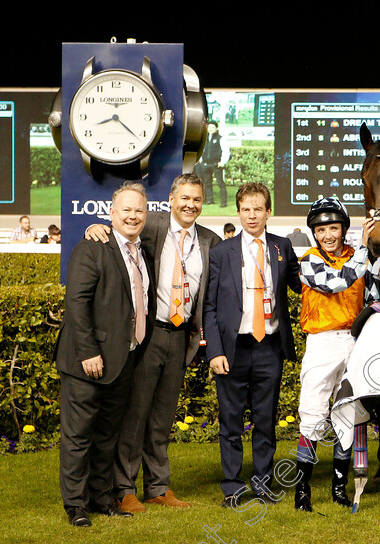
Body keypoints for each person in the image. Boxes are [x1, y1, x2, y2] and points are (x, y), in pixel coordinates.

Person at [86, 174, 222, 513]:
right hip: (148, 335)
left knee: (162, 418)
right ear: (171, 199)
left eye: (197, 199)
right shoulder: (152, 225)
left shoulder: (210, 240)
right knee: (136, 415)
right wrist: (93, 228)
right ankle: (124, 488)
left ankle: (159, 487)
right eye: (184, 198)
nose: (190, 205)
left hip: (182, 338)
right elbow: (120, 231)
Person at [55, 182, 154, 527]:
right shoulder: (92, 246)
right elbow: (77, 302)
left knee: (107, 436)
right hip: (88, 362)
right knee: (79, 438)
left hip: (122, 359)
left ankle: (100, 498)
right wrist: (88, 352)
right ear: (111, 213)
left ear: (146, 214)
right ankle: (76, 506)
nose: (132, 215)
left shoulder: (142, 250)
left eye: (139, 210)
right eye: (125, 209)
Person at [204, 182, 302, 506]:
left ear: (268, 212)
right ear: (238, 212)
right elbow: (210, 306)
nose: (251, 215)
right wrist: (214, 350)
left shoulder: (282, 247)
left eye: (258, 208)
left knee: (265, 419)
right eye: (245, 209)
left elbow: (302, 286)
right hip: (233, 348)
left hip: (269, 346)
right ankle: (232, 487)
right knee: (230, 421)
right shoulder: (221, 251)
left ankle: (262, 484)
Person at [293, 197, 377, 512]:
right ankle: (302, 491)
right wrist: (366, 251)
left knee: (348, 413)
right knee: (312, 413)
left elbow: (374, 287)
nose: (328, 235)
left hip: (354, 341)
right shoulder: (309, 260)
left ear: (343, 229)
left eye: (334, 228)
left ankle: (339, 489)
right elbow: (336, 284)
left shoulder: (358, 257)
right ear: (314, 232)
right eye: (322, 229)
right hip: (322, 341)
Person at [197, 121, 230, 207]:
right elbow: (200, 149)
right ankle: (210, 200)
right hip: (206, 165)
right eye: (209, 128)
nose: (210, 129)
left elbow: (226, 151)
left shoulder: (220, 138)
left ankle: (224, 203)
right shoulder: (205, 138)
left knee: (220, 183)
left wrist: (223, 162)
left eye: (212, 128)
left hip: (216, 164)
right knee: (207, 183)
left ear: (216, 128)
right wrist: (200, 159)